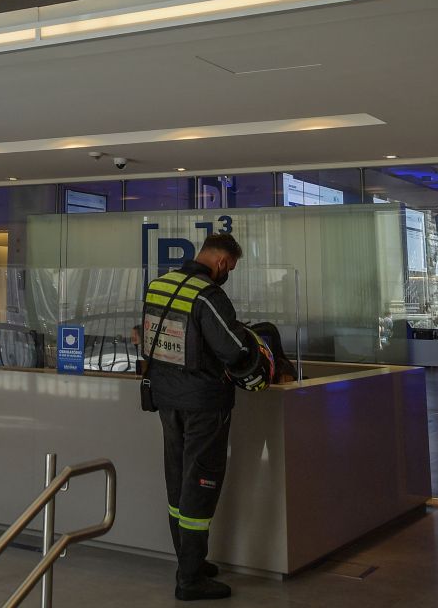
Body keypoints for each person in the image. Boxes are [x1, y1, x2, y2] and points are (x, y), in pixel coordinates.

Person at [141, 233, 270, 601]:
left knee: (178, 478)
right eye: (230, 267)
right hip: (203, 403)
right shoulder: (207, 295)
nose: (227, 272)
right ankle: (191, 580)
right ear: (222, 263)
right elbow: (232, 348)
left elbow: (151, 340)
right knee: (201, 482)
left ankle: (189, 561)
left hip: (166, 400)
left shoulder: (158, 286)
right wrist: (254, 363)